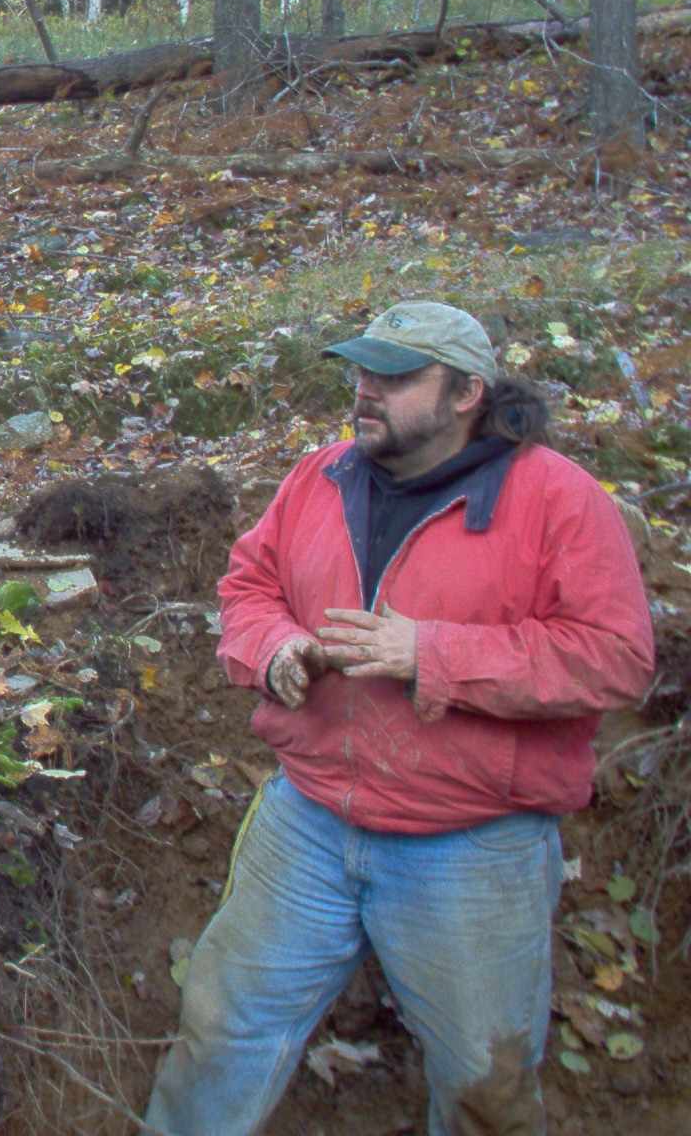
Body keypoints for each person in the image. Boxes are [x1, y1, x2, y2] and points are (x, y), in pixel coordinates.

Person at [145, 300, 654, 1136]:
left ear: (467, 393)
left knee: (484, 1088)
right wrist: (275, 650)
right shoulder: (321, 476)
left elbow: (616, 656)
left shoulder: (556, 500)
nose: (366, 390)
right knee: (221, 1031)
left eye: (395, 376)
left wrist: (434, 654)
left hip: (472, 843)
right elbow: (250, 585)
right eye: (361, 370)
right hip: (309, 818)